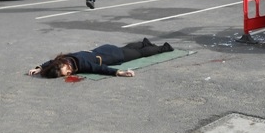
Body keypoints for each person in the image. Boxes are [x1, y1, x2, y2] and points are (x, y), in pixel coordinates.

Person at [28, 38, 174, 78]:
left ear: (63, 65)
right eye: (63, 75)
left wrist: (119, 72)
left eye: (64, 71)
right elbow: (51, 63)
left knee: (140, 54)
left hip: (112, 55)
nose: (66, 73)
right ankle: (144, 43)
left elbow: (99, 69)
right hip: (105, 49)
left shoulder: (81, 64)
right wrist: (39, 68)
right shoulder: (66, 58)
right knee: (127, 48)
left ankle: (164, 47)